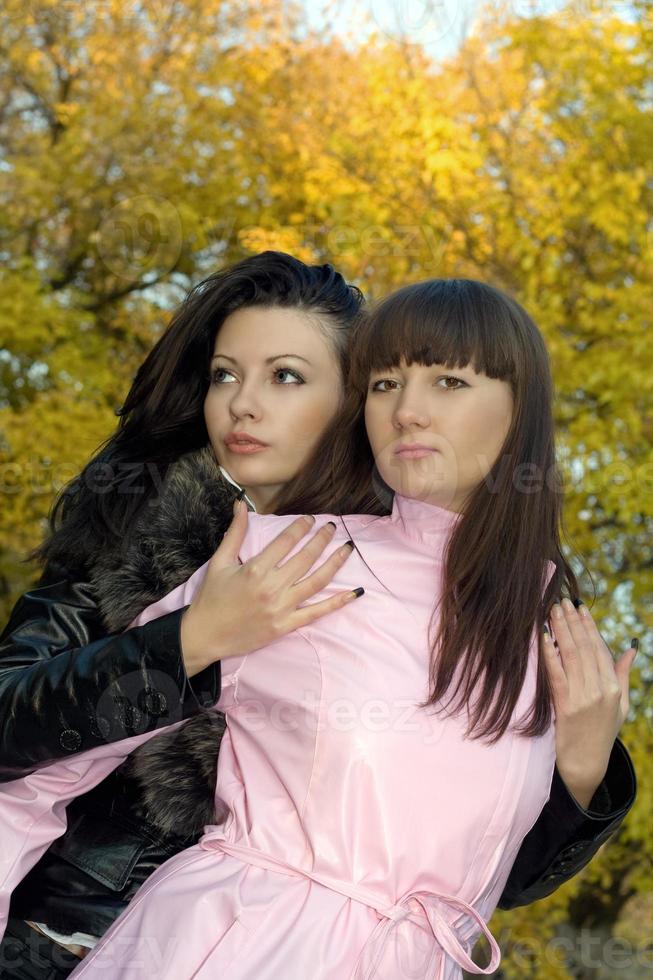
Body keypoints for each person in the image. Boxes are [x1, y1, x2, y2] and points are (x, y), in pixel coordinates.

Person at [0, 278, 637, 978]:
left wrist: (581, 773)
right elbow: (34, 772)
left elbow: (483, 871)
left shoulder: (546, 626)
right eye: (386, 384)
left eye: (449, 381)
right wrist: (190, 641)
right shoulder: (289, 557)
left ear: (522, 410)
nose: (407, 412)